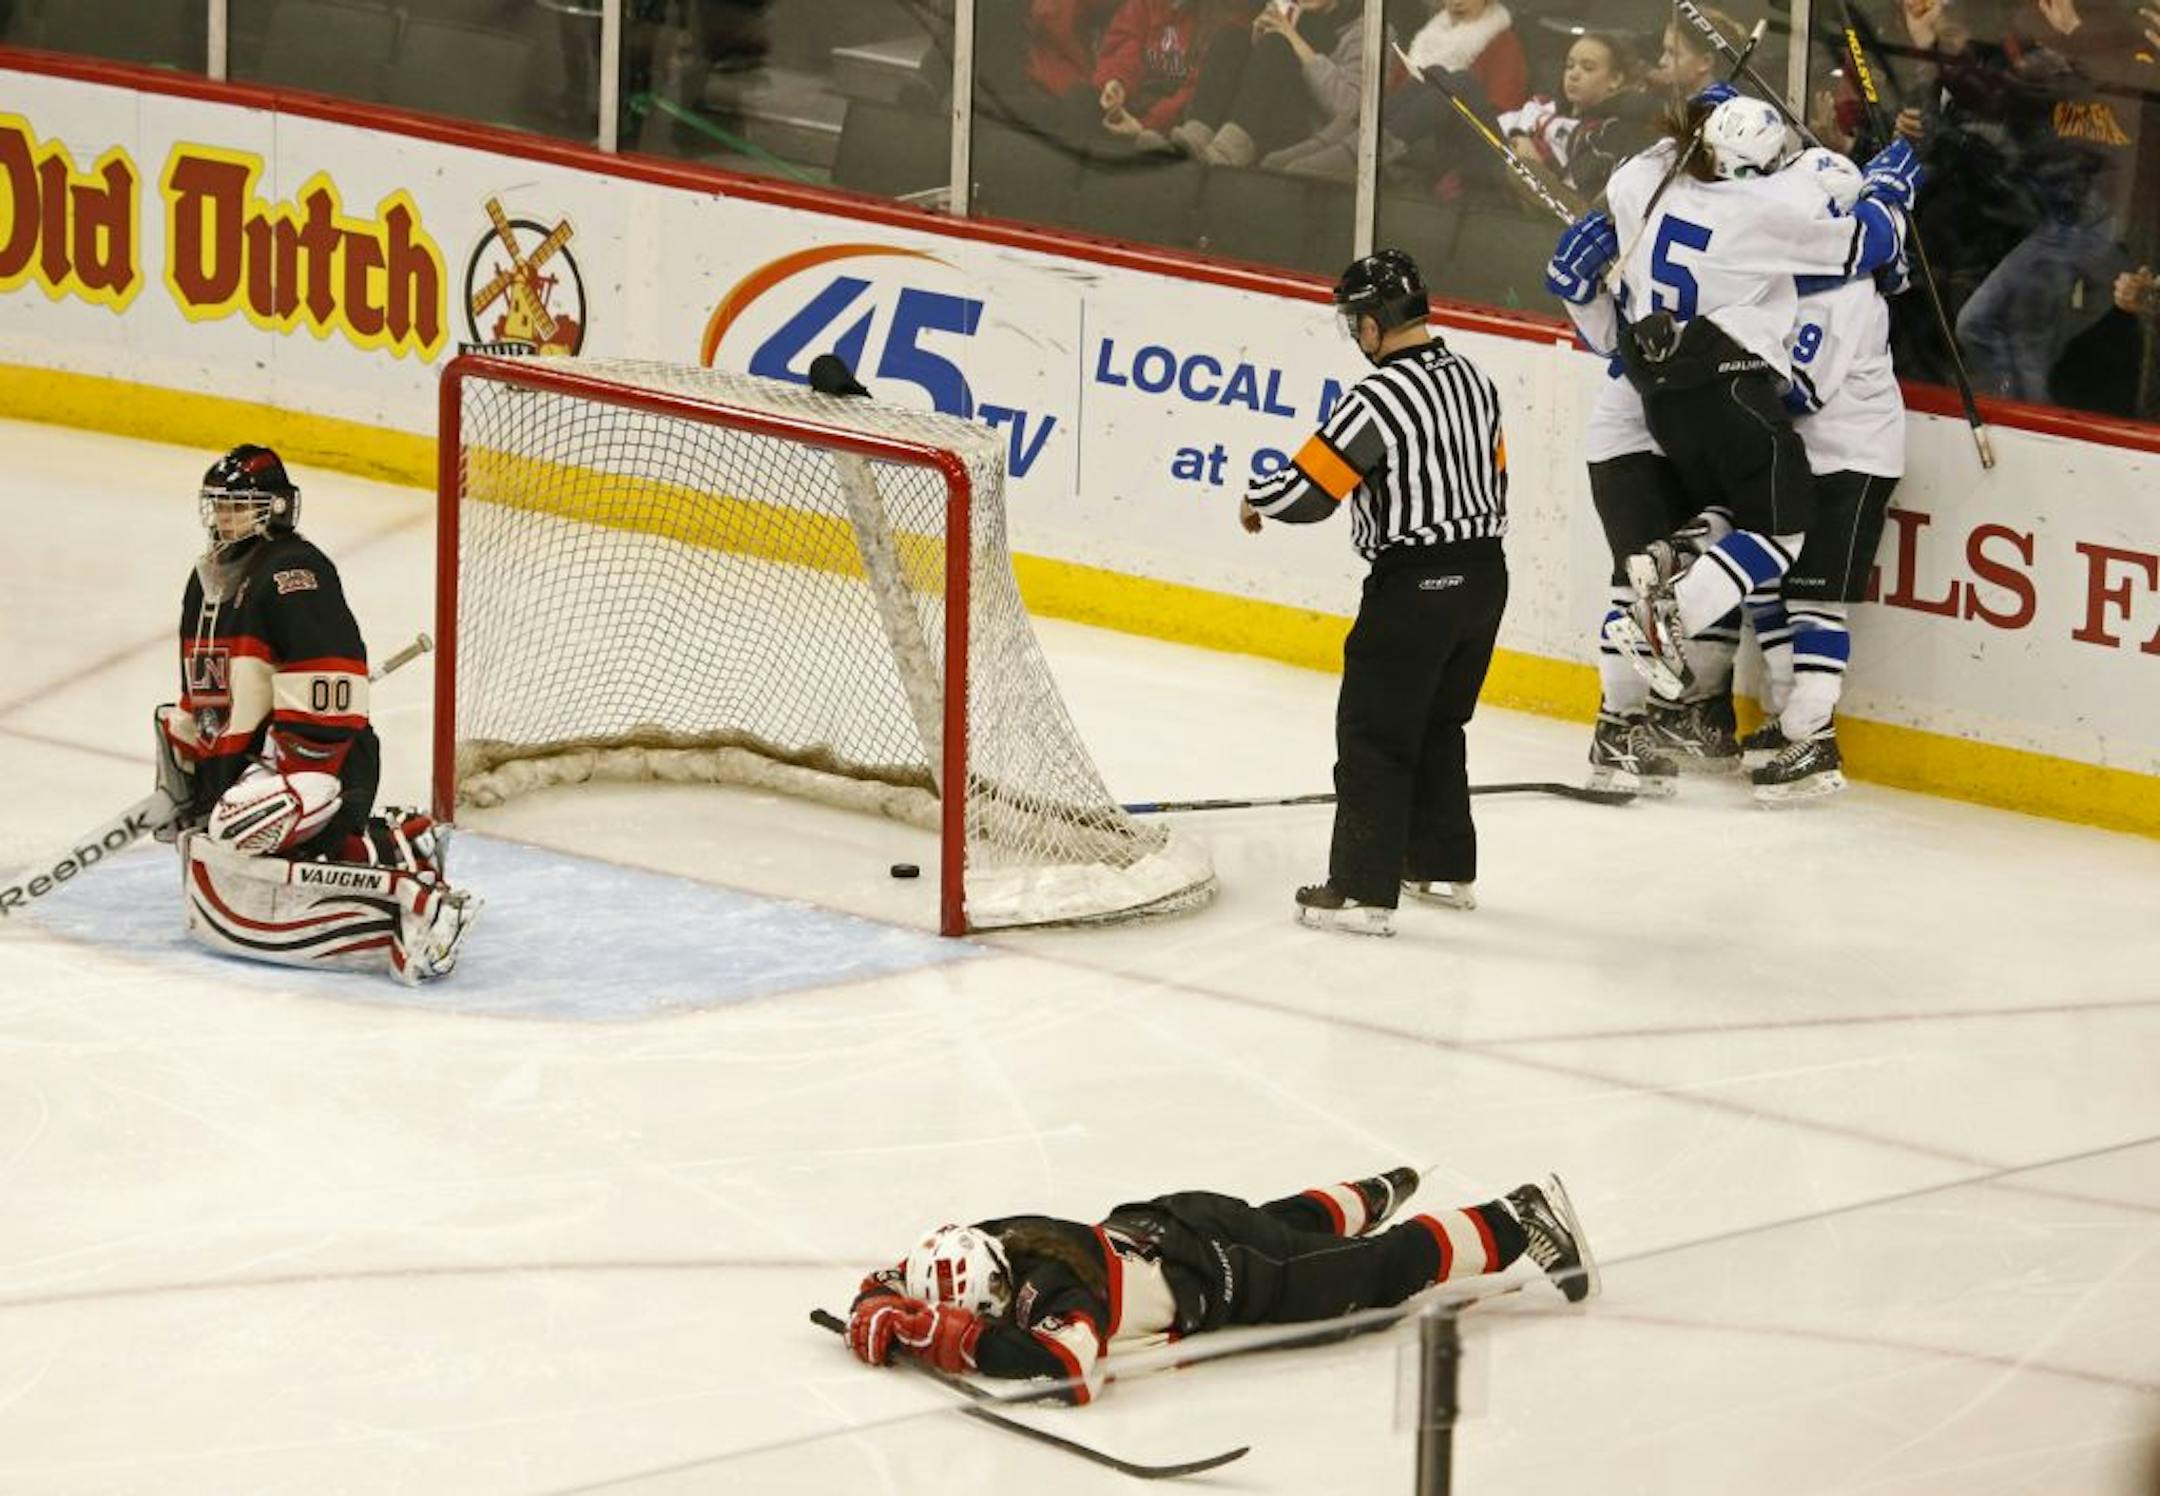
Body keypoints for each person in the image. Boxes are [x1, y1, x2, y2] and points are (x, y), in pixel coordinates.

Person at [1544, 95, 1922, 701]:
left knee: (1716, 522)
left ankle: (1676, 563)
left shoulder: (1641, 181)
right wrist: (1888, 191)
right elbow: (1866, 245)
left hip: (1658, 393)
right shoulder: (1768, 210)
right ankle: (1671, 616)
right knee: (1781, 531)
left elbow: (1607, 330)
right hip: (1727, 386)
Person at [1239, 249, 1509, 937]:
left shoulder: (1379, 397)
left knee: (1373, 736)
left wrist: (1255, 499)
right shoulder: (1475, 380)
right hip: (1483, 578)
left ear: (1371, 324)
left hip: (1414, 585)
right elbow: (1496, 472)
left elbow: (1311, 490)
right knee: (1440, 725)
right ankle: (1441, 866)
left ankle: (1363, 891)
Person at [844, 1166, 1596, 1400]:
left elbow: (1071, 1367)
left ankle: (1513, 1216)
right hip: (1178, 1219)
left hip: (1233, 1276)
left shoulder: (1053, 1293)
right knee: (1281, 1222)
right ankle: (1369, 1192)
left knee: (1379, 1271)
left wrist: (954, 1341)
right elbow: (896, 1276)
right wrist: (884, 1301)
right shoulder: (1001, 1235)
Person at [156, 445, 479, 985]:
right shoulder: (207, 578)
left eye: (240, 505)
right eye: (218, 505)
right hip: (250, 767)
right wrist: (194, 770)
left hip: (319, 762)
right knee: (187, 759)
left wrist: (286, 771)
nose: (224, 516)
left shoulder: (294, 571)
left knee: (238, 826)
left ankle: (414, 898)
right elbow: (204, 688)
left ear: (276, 509)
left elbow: (330, 685)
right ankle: (398, 842)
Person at [1738, 149, 1912, 802]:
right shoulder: (1804, 276)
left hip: (1852, 459)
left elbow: (1799, 392)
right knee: (1766, 582)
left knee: (1814, 598)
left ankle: (1813, 741)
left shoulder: (1842, 292)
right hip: (1814, 455)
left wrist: (1725, 394)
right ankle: (1792, 724)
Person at [1171, 0, 1365, 168]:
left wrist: (1293, 41)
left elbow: (1349, 110)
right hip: (1258, 121)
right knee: (1232, 38)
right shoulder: (1289, 12)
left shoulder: (1364, 30)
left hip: (1310, 137)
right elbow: (1263, 77)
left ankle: (1228, 152)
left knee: (1276, 45)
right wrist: (1257, 43)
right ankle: (1195, 137)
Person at [1498, 30, 1659, 203]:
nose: (1573, 74)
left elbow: (1578, 195)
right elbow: (1496, 127)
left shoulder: (1607, 131)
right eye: (1569, 65)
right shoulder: (1542, 105)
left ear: (1615, 79)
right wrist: (1517, 136)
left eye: (1588, 68)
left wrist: (1534, 166)